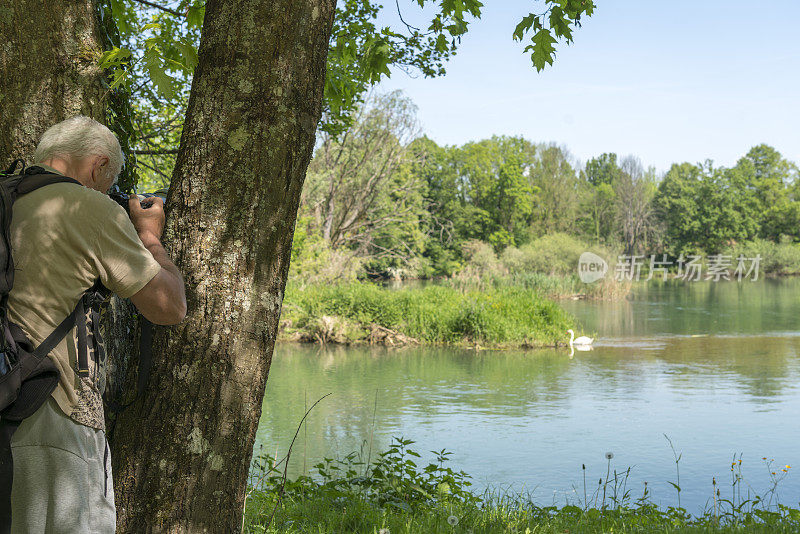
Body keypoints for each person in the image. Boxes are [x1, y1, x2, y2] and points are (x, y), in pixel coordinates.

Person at [4, 115, 187, 532]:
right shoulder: (87, 207)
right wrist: (149, 235)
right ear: (97, 166)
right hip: (51, 411)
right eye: (109, 183)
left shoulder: (6, 199)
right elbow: (169, 307)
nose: (109, 193)